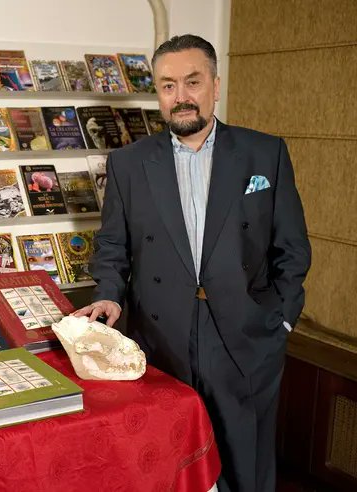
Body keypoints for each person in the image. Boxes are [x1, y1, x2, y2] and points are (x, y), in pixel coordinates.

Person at [73, 34, 311, 492]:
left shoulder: (265, 153)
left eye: (192, 82)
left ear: (215, 86)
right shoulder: (128, 164)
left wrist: (280, 320)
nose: (180, 96)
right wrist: (108, 295)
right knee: (171, 464)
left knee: (246, 463)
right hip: (162, 339)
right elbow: (113, 246)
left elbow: (292, 247)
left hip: (246, 334)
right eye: (168, 86)